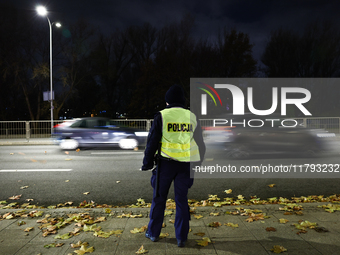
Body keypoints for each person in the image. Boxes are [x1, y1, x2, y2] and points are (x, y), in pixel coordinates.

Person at [140, 84, 206, 247]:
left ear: (168, 101)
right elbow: (201, 144)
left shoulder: (162, 116)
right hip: (186, 166)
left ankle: (153, 233)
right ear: (183, 101)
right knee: (181, 201)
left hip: (165, 165)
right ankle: (182, 238)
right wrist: (197, 164)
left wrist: (147, 163)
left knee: (159, 199)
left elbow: (152, 142)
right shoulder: (192, 117)